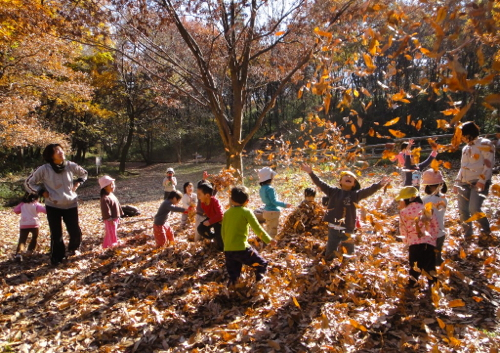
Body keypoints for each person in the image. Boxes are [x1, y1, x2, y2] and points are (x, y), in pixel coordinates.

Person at [301, 163, 391, 260]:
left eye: (351, 177)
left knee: (349, 252)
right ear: (340, 181)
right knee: (330, 251)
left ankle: (348, 267)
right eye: (346, 176)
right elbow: (320, 183)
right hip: (333, 228)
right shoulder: (333, 191)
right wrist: (311, 173)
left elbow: (368, 191)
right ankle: (327, 268)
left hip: (347, 229)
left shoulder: (356, 195)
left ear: (354, 184)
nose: (348, 177)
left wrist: (379, 185)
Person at [25, 144, 87, 265]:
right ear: (50, 155)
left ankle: (74, 249)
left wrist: (78, 182)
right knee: (56, 233)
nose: (60, 152)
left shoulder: (70, 165)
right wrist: (41, 191)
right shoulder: (44, 169)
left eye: (61, 150)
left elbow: (84, 173)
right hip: (53, 205)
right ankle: (57, 258)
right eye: (56, 151)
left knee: (75, 231)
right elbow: (29, 182)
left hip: (71, 204)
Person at [222, 187, 274, 287]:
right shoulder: (246, 212)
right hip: (241, 249)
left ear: (232, 200)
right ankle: (259, 287)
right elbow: (257, 229)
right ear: (247, 201)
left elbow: (223, 232)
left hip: (228, 250)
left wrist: (226, 246)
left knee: (234, 276)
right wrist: (269, 240)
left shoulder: (227, 213)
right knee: (262, 264)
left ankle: (230, 295)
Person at [453, 121, 495, 246]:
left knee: (474, 208)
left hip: (478, 181)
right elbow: (463, 167)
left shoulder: (485, 144)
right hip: (464, 182)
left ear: (469, 133)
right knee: (463, 210)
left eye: (462, 135)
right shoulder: (466, 148)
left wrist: (482, 181)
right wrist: (456, 182)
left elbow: (489, 165)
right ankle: (468, 235)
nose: (461, 138)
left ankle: (486, 231)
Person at [396, 186, 439, 287]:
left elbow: (403, 227)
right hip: (428, 242)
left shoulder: (403, 212)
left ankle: (413, 284)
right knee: (430, 266)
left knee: (414, 266)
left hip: (413, 243)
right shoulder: (426, 209)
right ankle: (433, 286)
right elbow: (435, 223)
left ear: (408, 199)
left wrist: (406, 240)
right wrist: (434, 236)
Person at [421, 169, 448, 265]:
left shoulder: (424, 199)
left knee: (429, 252)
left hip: (429, 232)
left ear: (428, 186)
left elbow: (424, 216)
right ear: (441, 185)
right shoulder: (444, 199)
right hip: (441, 231)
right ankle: (438, 264)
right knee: (438, 251)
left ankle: (430, 267)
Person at [258, 167, 291, 238]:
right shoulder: (270, 189)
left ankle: (266, 242)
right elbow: (274, 201)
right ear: (270, 178)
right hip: (273, 212)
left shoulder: (262, 188)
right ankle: (271, 245)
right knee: (273, 231)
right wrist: (284, 205)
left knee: (268, 229)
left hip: (266, 211)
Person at [13, 192, 47, 261]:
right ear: (37, 198)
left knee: (22, 239)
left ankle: (19, 254)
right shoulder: (36, 204)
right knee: (34, 237)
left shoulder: (22, 204)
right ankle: (30, 250)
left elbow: (16, 211)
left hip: (24, 224)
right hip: (34, 224)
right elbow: (45, 211)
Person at [197, 181, 224, 251]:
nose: (198, 197)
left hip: (219, 220)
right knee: (200, 229)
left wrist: (210, 221)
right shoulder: (203, 203)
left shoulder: (215, 202)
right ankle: (213, 236)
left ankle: (222, 248)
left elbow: (220, 215)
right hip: (211, 218)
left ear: (207, 196)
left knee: (220, 239)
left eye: (199, 195)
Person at [99, 175, 124, 249]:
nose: (113, 186)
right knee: (111, 233)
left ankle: (106, 245)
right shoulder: (105, 198)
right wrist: (109, 219)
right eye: (111, 185)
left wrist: (120, 215)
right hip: (110, 219)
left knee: (112, 232)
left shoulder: (111, 195)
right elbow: (105, 210)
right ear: (105, 186)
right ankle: (113, 244)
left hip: (115, 218)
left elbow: (117, 205)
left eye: (114, 184)